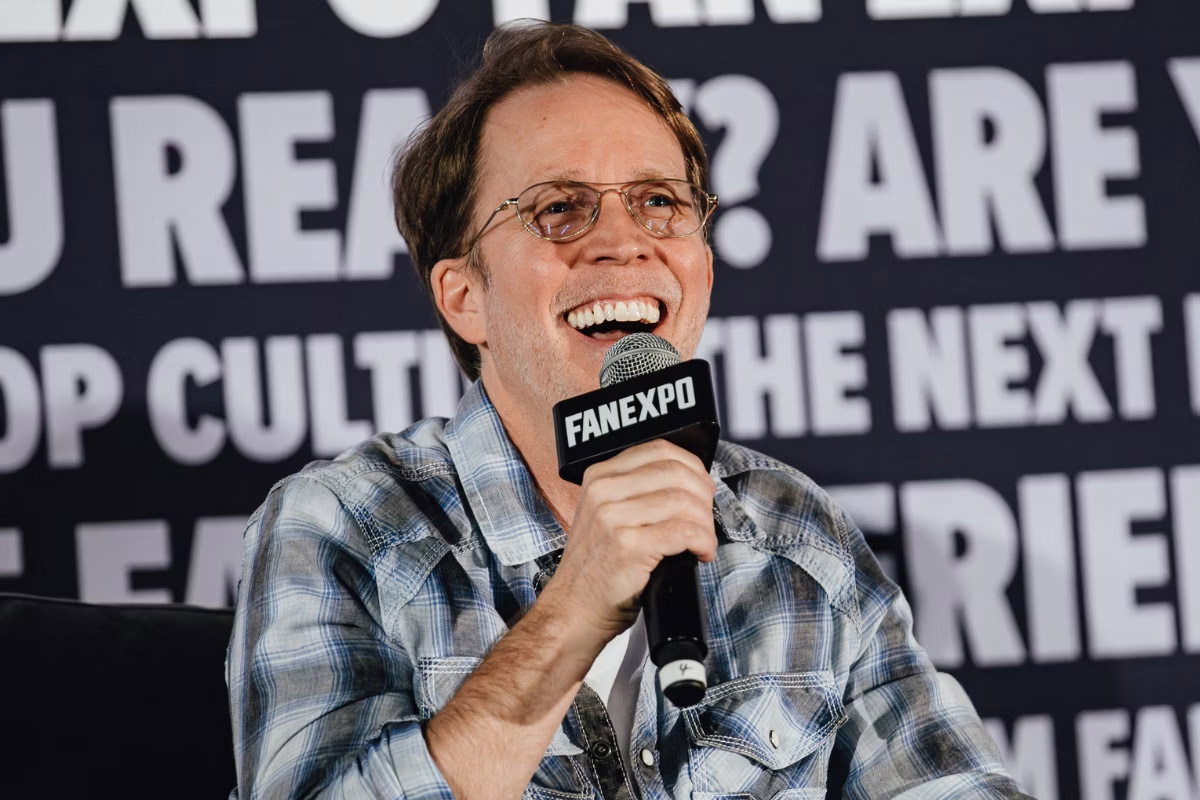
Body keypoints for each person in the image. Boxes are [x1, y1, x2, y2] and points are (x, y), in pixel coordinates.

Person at [226, 21, 1031, 799]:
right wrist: (573, 609)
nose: (623, 241)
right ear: (465, 296)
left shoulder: (793, 534)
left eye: (657, 202)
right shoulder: (342, 528)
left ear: (703, 266)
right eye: (558, 208)